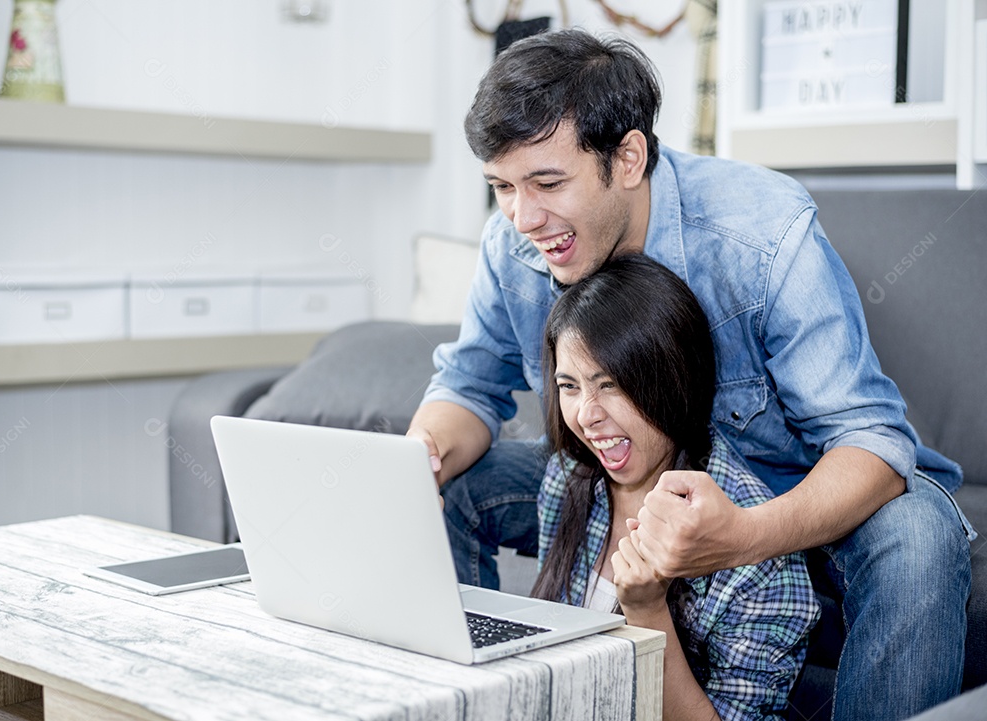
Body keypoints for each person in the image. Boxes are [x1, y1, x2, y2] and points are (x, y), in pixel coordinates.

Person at [406, 28, 974, 721]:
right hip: (631, 483)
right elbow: (467, 387)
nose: (524, 217)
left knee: (918, 537)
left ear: (628, 157)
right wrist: (416, 460)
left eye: (548, 183)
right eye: (502, 188)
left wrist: (740, 535)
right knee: (452, 484)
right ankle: (471, 697)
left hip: (793, 496)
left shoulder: (762, 237)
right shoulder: (515, 244)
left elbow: (874, 443)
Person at [536, 252, 818, 720]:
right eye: (570, 386)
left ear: (674, 378)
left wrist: (647, 613)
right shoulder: (569, 477)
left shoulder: (763, 565)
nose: (586, 415)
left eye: (610, 385)